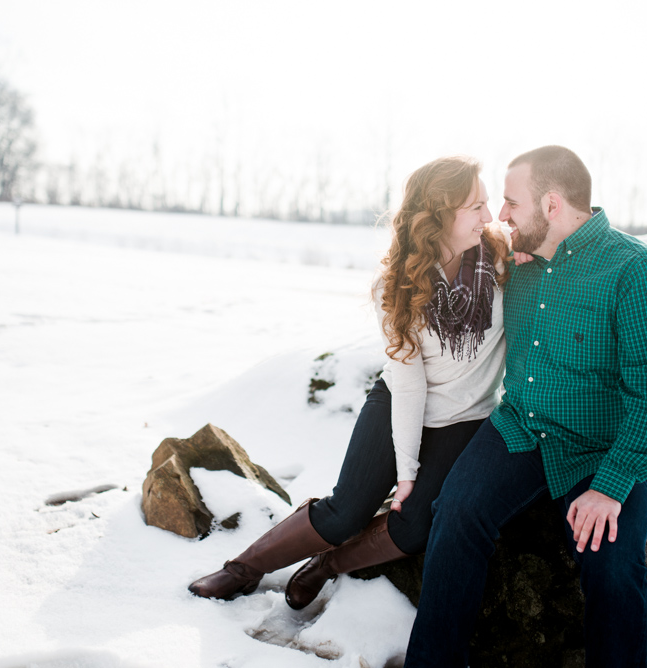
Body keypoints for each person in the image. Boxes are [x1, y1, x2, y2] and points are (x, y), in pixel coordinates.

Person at [404, 146, 647, 668]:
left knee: (614, 569)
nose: (502, 215)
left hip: (602, 449)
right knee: (455, 513)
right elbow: (440, 256)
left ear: (552, 205)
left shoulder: (639, 274)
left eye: (511, 202)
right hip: (519, 429)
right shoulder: (521, 261)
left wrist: (610, 487)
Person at [188, 156, 511, 610]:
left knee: (414, 527)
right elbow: (410, 384)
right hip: (399, 400)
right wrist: (406, 470)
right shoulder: (396, 286)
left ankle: (326, 565)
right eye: (476, 206)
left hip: (464, 418)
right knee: (346, 512)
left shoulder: (501, 262)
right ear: (439, 214)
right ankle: (243, 569)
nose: (490, 216)